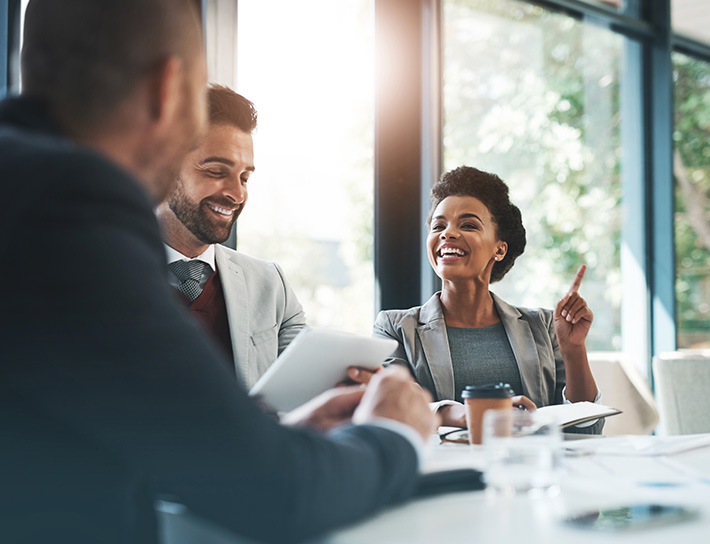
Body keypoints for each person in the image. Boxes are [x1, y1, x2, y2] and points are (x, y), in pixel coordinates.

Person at [0, 1, 435, 543]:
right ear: (169, 88)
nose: (235, 190)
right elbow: (277, 495)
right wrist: (395, 435)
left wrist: (264, 438)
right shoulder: (70, 209)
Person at [371, 166, 603, 433]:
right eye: (439, 225)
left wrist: (574, 350)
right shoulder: (394, 327)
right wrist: (472, 415)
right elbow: (394, 405)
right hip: (443, 471)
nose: (448, 233)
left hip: (529, 468)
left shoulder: (543, 325)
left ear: (499, 248)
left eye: (468, 225)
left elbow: (586, 431)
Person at [157, 84, 306, 390]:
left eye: (244, 177)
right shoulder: (98, 277)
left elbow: (306, 393)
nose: (237, 194)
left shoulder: (271, 284)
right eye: (215, 171)